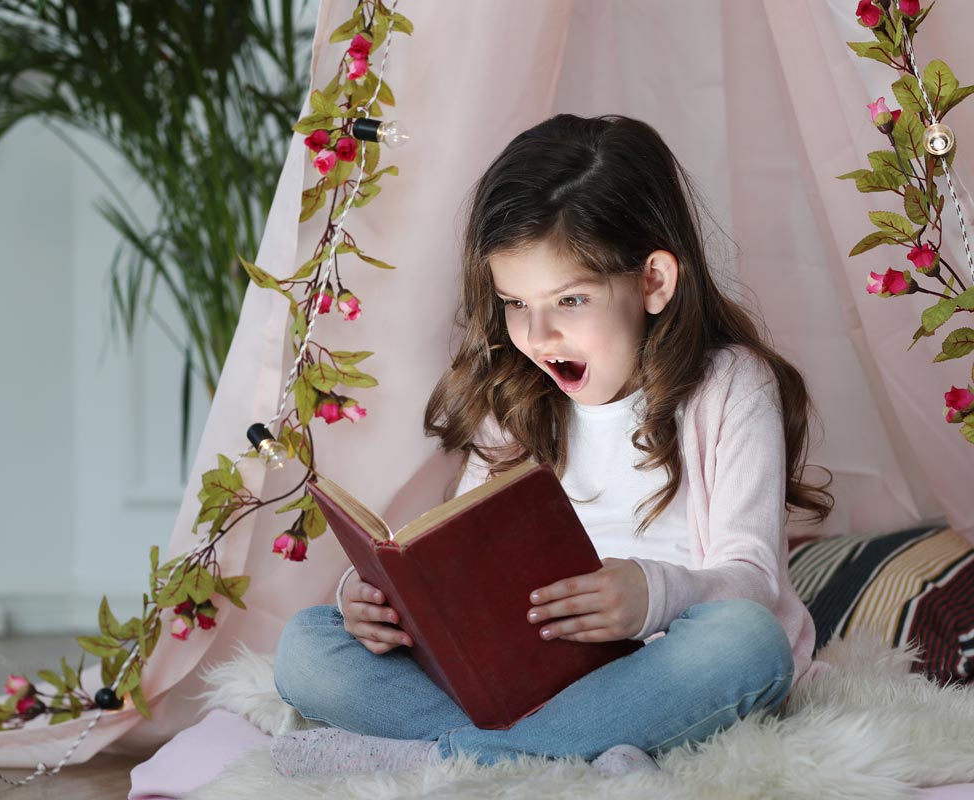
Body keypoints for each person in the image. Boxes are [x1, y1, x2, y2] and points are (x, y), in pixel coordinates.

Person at [269, 113, 835, 779]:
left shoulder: (730, 385)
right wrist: (373, 603)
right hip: (524, 679)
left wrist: (649, 595)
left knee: (748, 642)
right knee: (306, 644)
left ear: (653, 282)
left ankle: (447, 756)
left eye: (569, 300)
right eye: (515, 303)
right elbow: (458, 558)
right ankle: (569, 751)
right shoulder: (516, 400)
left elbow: (755, 581)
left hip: (666, 666)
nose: (537, 336)